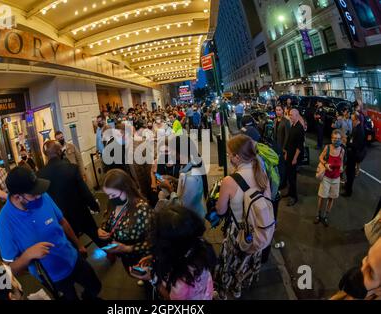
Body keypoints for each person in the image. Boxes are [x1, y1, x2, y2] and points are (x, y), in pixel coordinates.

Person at [0, 166, 101, 300]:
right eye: (33, 194)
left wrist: (79, 245)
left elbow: (62, 222)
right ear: (17, 197)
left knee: (95, 287)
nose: (39, 196)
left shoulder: (42, 196)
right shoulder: (4, 222)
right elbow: (9, 269)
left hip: (72, 258)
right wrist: (27, 255)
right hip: (53, 278)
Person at [214, 134, 271, 299]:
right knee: (246, 263)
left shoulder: (229, 181)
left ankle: (226, 292)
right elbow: (267, 201)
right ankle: (239, 288)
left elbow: (220, 210)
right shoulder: (260, 171)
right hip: (257, 231)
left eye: (229, 154)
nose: (228, 156)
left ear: (237, 157)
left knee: (231, 264)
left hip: (238, 233)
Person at [129, 205, 216, 300]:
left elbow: (170, 298)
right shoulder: (198, 244)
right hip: (204, 290)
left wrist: (152, 279)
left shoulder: (181, 283)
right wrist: (153, 258)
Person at [38, 140, 103, 250]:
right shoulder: (71, 168)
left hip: (61, 219)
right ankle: (111, 253)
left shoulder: (40, 175)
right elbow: (84, 191)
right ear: (59, 151)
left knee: (73, 245)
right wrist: (94, 205)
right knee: (95, 233)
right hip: (80, 211)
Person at [99, 169, 152, 271]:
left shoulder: (142, 209)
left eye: (113, 195)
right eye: (108, 195)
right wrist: (101, 229)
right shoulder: (113, 202)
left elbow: (152, 241)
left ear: (126, 189)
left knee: (145, 279)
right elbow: (107, 220)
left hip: (141, 258)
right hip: (125, 257)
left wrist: (127, 248)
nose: (110, 199)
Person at [314, 130, 345, 227]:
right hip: (326, 177)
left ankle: (325, 216)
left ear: (341, 139)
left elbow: (342, 162)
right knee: (322, 197)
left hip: (336, 179)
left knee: (331, 198)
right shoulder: (327, 147)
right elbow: (320, 157)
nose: (336, 140)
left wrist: (341, 168)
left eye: (338, 139)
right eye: (334, 138)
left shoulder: (342, 150)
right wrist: (325, 164)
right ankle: (318, 215)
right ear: (331, 138)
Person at [284, 109, 305, 207]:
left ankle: (294, 197)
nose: (290, 116)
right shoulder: (293, 125)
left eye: (291, 115)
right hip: (290, 154)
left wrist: (294, 158)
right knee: (289, 175)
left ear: (297, 115)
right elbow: (289, 141)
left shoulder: (299, 128)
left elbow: (300, 146)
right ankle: (290, 192)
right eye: (289, 115)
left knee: (292, 177)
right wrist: (286, 153)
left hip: (294, 156)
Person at [342, 113, 366, 197]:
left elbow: (356, 145)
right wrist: (348, 138)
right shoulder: (356, 128)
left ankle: (348, 191)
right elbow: (352, 138)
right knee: (348, 172)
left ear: (358, 120)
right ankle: (347, 185)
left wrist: (346, 142)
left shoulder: (360, 130)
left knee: (350, 173)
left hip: (354, 155)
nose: (352, 122)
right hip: (351, 153)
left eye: (353, 120)